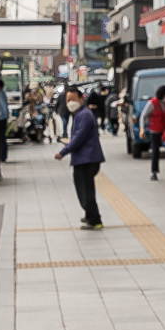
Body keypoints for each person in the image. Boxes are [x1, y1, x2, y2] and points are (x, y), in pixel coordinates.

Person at [57, 85, 105, 230]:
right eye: (68, 100)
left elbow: (78, 138)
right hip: (84, 159)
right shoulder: (81, 114)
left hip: (87, 159)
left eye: (73, 99)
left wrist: (63, 152)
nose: (70, 102)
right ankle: (90, 215)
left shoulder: (84, 115)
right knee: (83, 189)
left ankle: (95, 219)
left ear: (80, 98)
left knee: (86, 190)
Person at [142, 84, 165, 179]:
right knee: (155, 152)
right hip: (156, 131)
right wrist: (142, 129)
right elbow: (143, 116)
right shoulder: (152, 103)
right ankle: (154, 172)